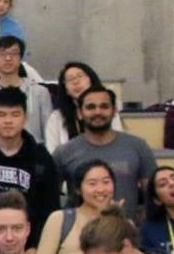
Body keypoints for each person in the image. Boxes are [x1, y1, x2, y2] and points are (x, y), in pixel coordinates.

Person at [52, 85, 157, 220]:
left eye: (104, 106)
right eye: (90, 107)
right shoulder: (64, 152)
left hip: (126, 232)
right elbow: (51, 199)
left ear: (114, 111)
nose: (98, 112)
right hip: (80, 235)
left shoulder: (138, 146)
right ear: (79, 112)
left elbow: (152, 195)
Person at [0, 86, 59, 247]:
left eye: (15, 114)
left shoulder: (41, 158)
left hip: (29, 245)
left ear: (25, 118)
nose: (8, 121)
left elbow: (50, 209)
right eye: (1, 115)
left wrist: (36, 246)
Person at [35, 160, 118, 254]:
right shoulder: (60, 219)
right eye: (92, 183)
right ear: (78, 189)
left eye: (106, 182)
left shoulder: (122, 224)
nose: (101, 189)